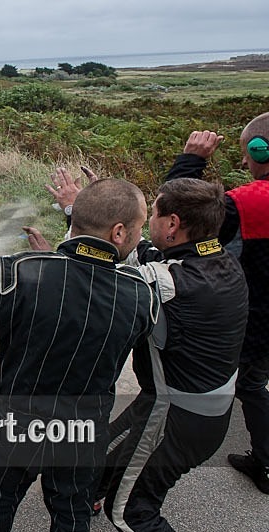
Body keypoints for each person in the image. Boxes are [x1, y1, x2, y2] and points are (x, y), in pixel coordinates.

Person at [0, 179, 157, 532]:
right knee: (72, 517)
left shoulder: (17, 271)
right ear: (119, 233)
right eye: (139, 227)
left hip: (15, 426)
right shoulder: (141, 296)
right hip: (84, 431)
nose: (139, 234)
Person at [41, 171, 249, 530]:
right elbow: (145, 254)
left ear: (172, 224)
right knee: (107, 454)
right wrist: (87, 207)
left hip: (175, 416)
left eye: (151, 215)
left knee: (131, 513)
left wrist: (70, 241)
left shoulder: (164, 284)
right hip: (199, 407)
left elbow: (95, 279)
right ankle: (90, 494)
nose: (145, 223)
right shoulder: (223, 262)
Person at [163, 123, 269, 495]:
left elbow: (176, 213)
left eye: (246, 152)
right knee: (255, 384)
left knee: (206, 390)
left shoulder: (250, 201)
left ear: (260, 151)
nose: (243, 160)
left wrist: (192, 159)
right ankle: (265, 462)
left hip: (248, 320)